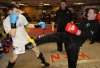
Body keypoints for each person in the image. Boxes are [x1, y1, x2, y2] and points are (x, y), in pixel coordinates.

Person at [33, 8, 99, 68]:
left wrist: (77, 32)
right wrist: (74, 28)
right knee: (53, 36)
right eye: (88, 12)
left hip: (75, 43)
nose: (87, 14)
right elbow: (78, 28)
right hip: (69, 35)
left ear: (95, 14)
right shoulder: (85, 20)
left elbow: (86, 35)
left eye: (90, 13)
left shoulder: (95, 25)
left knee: (71, 60)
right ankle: (34, 42)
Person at [3, 4, 50, 68]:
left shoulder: (21, 17)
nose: (18, 13)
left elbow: (28, 25)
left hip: (27, 40)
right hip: (18, 43)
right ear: (10, 11)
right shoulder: (6, 22)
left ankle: (43, 63)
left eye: (18, 11)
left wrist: (38, 25)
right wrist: (13, 23)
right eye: (16, 11)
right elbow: (13, 34)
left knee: (37, 50)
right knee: (14, 58)